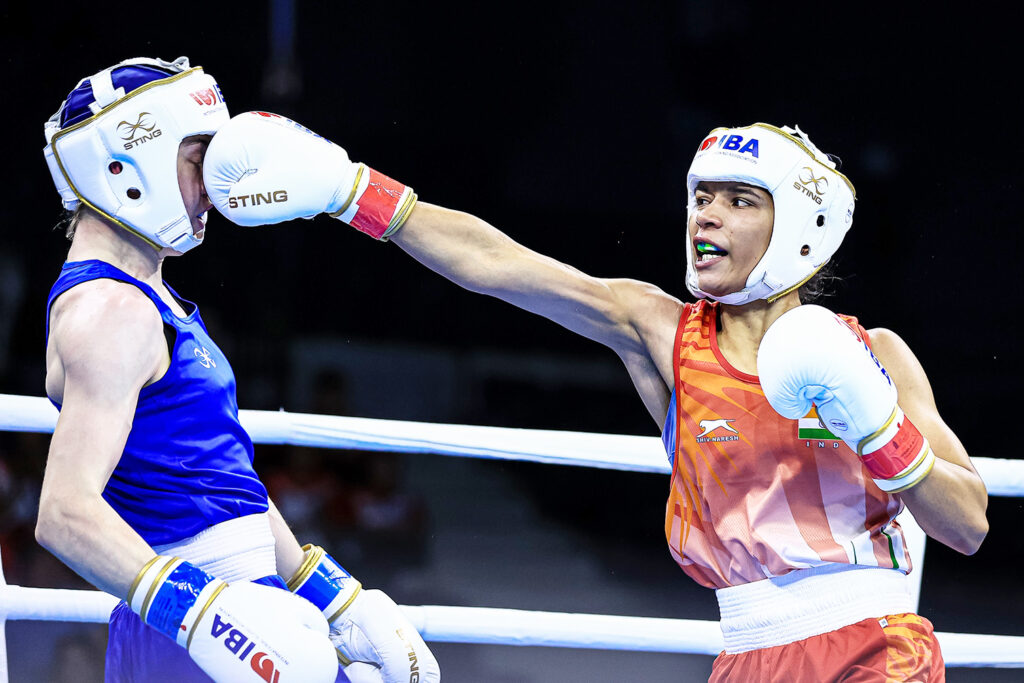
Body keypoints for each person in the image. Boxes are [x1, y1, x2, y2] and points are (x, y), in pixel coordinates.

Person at [203, 113, 989, 681]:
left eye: (739, 200)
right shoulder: (661, 332)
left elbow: (967, 525)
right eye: (701, 196)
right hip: (748, 654)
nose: (706, 214)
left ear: (802, 228)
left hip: (874, 649)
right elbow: (500, 264)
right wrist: (352, 191)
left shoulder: (875, 353)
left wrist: (877, 422)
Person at [37, 58, 440, 683]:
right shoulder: (110, 309)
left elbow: (224, 481)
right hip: (194, 627)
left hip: (240, 609)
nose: (214, 190)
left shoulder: (153, 298)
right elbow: (63, 513)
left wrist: (338, 598)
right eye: (197, 160)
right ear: (122, 166)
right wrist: (203, 617)